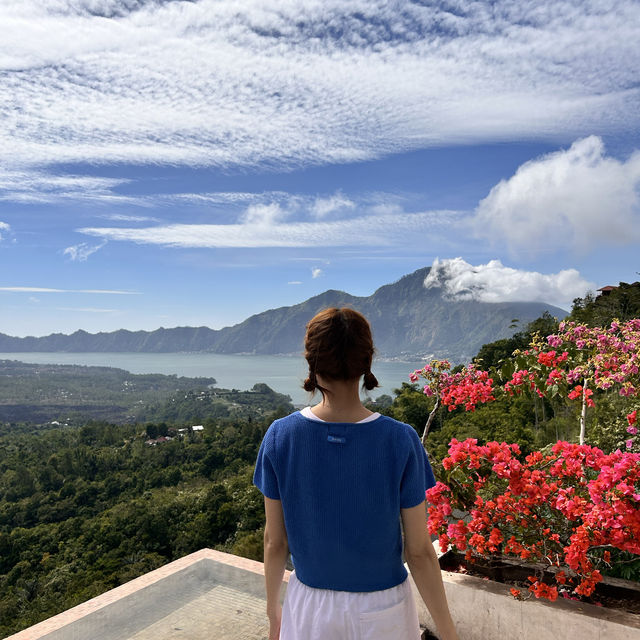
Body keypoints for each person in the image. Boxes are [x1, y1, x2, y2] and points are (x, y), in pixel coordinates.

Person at [253, 307, 459, 640]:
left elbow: (275, 542)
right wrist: (448, 632)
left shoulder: (281, 436)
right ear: (366, 363)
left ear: (313, 363)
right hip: (385, 609)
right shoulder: (399, 439)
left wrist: (273, 613)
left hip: (309, 607)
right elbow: (419, 551)